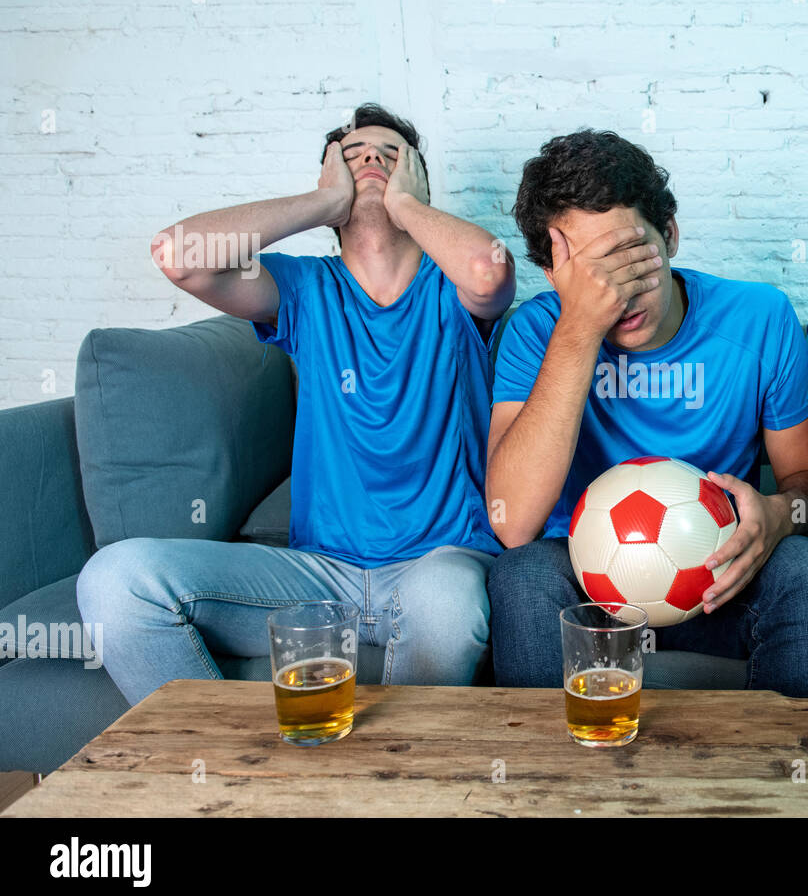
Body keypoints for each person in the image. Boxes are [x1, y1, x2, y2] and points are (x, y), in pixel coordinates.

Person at [77, 103, 515, 704]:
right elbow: (180, 256)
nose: (372, 166)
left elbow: (491, 276)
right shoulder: (306, 288)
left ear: (417, 184)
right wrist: (323, 204)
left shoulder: (453, 289)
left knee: (444, 605)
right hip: (318, 579)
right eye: (353, 157)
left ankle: (394, 787)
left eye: (391, 158)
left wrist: (408, 208)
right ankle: (229, 774)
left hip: (437, 566)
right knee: (115, 580)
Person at [486, 129, 808, 698]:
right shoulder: (537, 332)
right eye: (590, 275)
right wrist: (579, 327)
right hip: (587, 585)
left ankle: (789, 773)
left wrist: (781, 514)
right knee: (522, 574)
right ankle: (547, 781)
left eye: (629, 260)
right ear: (554, 276)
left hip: (720, 576)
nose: (618, 295)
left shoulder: (759, 316)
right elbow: (513, 523)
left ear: (671, 234)